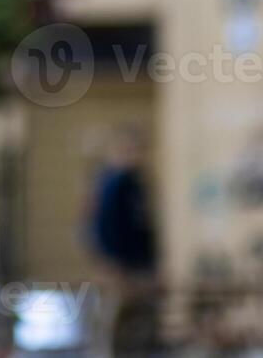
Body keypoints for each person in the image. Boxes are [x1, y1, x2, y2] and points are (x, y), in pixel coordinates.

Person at [85, 124, 159, 357]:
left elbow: (145, 227)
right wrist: (110, 261)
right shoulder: (113, 183)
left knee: (140, 317)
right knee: (116, 317)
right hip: (121, 265)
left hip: (138, 264)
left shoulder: (136, 182)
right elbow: (101, 226)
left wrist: (151, 262)